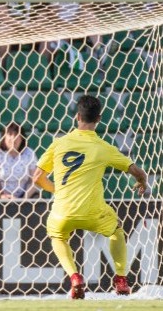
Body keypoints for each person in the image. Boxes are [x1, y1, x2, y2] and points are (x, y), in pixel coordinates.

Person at [32, 95, 149, 299]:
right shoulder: (104, 147)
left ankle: (75, 277)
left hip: (63, 211)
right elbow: (138, 172)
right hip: (93, 211)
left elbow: (37, 178)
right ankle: (121, 279)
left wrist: (56, 191)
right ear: (100, 118)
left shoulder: (59, 143)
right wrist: (142, 182)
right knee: (116, 232)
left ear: (77, 116)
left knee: (57, 236)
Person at [0, 123, 39, 199]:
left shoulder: (29, 153)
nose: (13, 138)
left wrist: (24, 199)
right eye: (9, 134)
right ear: (4, 137)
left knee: (38, 199)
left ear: (22, 137)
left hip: (24, 195)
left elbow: (34, 181)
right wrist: (2, 195)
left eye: (16, 134)